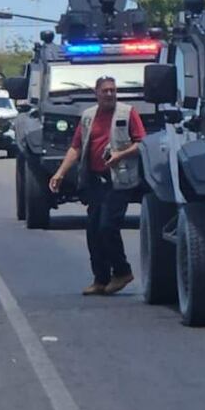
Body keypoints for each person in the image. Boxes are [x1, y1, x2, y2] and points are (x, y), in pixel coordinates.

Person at [49, 76, 145, 296]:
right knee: (93, 230)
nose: (110, 94)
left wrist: (121, 154)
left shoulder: (127, 113)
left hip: (119, 180)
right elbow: (76, 148)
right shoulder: (88, 116)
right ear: (97, 93)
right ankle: (100, 279)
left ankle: (122, 271)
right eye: (105, 91)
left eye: (113, 90)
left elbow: (141, 142)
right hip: (95, 180)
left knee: (107, 226)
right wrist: (60, 173)